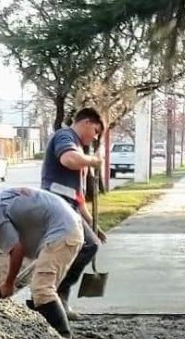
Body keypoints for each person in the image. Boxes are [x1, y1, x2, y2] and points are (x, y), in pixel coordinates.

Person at [0, 187, 84, 338]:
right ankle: (44, 335)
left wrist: (9, 283)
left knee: (42, 289)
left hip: (62, 232)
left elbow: (17, 250)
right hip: (68, 227)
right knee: (40, 293)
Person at [40, 107, 107, 319]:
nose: (94, 137)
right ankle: (55, 295)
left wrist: (92, 223)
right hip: (57, 205)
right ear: (86, 122)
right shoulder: (65, 136)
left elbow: (78, 196)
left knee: (91, 243)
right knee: (87, 245)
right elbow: (68, 160)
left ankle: (58, 296)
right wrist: (94, 160)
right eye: (95, 131)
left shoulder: (79, 148)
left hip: (69, 206)